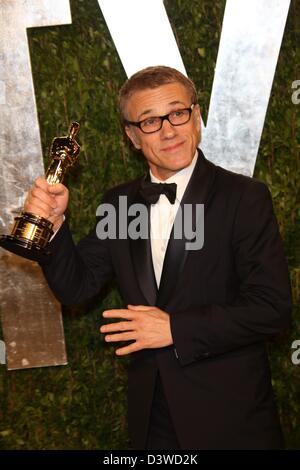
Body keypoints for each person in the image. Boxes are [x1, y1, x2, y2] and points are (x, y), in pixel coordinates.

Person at [24, 66, 292, 450]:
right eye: (150, 121)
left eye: (177, 113)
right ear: (132, 136)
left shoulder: (243, 198)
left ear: (196, 116)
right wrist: (53, 223)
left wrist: (175, 329)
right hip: (153, 420)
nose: (169, 130)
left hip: (231, 419)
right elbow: (76, 286)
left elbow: (272, 309)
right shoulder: (119, 204)